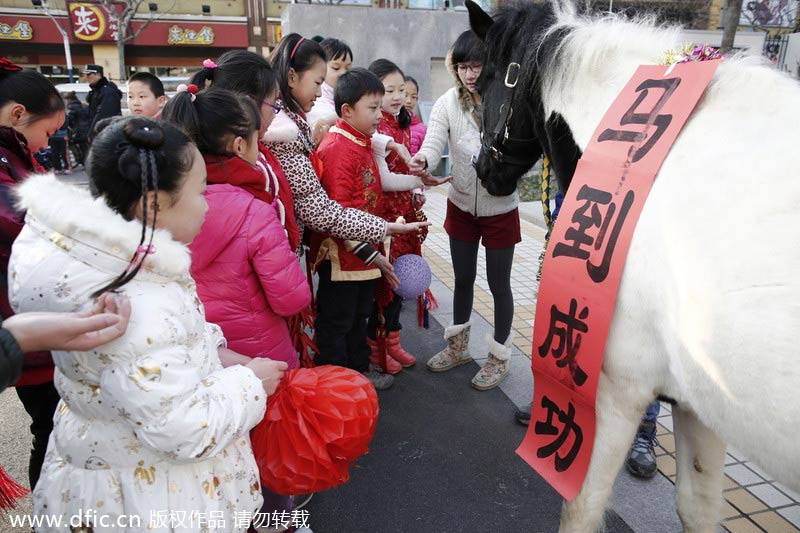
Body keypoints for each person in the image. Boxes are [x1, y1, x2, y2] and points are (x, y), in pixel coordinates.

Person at [9, 116, 287, 527]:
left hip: (115, 476)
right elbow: (182, 428)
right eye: (200, 190)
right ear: (154, 203)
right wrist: (250, 384)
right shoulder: (132, 296)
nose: (208, 203)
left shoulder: (121, 263)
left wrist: (215, 350)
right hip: (152, 497)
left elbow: (165, 350)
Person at [164, 86, 311, 369]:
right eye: (258, 140)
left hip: (195, 355)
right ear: (240, 146)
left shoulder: (162, 207)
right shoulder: (254, 212)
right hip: (260, 357)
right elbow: (291, 300)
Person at [410, 30, 520, 391]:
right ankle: (457, 348)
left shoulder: (507, 100)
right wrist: (423, 158)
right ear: (453, 68)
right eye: (462, 67)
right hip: (461, 204)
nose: (469, 74)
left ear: (489, 66)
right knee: (462, 279)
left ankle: (499, 357)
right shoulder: (447, 102)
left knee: (499, 284)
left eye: (476, 65)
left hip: (500, 206)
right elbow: (433, 139)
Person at [264, 33, 428, 274]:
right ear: (291, 77)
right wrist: (383, 228)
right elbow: (322, 211)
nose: (321, 93)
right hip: (313, 258)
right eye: (318, 83)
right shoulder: (288, 137)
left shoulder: (298, 127)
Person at [0, 57, 66, 491]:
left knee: (52, 426)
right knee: (50, 427)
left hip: (27, 312)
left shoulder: (14, 153)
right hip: (22, 320)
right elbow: (20, 220)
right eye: (46, 133)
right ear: (18, 115)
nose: (46, 144)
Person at [310, 68, 395, 390]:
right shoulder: (337, 148)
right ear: (347, 110)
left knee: (359, 316)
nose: (379, 115)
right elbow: (338, 213)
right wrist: (374, 254)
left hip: (365, 255)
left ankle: (357, 372)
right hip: (345, 256)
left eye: (379, 107)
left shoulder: (359, 141)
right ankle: (334, 383)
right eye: (372, 108)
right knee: (337, 320)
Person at [365, 59, 432, 374]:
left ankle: (393, 341)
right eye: (389, 90)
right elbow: (385, 179)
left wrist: (420, 173)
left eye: (401, 90)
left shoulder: (404, 123)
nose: (397, 97)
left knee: (400, 285)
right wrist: (419, 180)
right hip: (383, 221)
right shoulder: (376, 127)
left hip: (405, 218)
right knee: (384, 286)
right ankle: (377, 348)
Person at [306, 37, 353, 144]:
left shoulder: (352, 94)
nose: (343, 73)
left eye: (348, 68)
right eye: (336, 68)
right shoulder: (315, 97)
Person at [83, 64, 122, 132]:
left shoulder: (107, 91)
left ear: (98, 74)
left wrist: (92, 132)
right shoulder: (97, 90)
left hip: (104, 131)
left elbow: (103, 115)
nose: (86, 77)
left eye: (89, 74)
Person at [65, 91, 90, 166]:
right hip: (87, 130)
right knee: (85, 147)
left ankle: (81, 160)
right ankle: (86, 161)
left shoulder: (72, 107)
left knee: (72, 143)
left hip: (79, 131)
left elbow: (69, 119)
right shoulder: (84, 105)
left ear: (69, 99)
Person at [404, 76, 427, 156]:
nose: (409, 101)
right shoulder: (388, 125)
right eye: (405, 95)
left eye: (413, 97)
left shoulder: (422, 129)